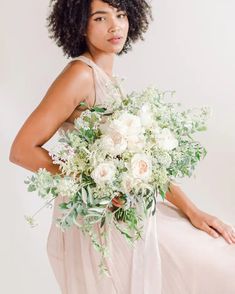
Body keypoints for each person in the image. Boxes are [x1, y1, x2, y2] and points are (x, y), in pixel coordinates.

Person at [9, 0, 235, 293]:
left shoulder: (109, 81)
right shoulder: (79, 75)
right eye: (100, 18)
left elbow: (143, 166)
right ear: (80, 24)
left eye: (121, 14)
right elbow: (22, 149)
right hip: (101, 219)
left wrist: (193, 211)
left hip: (129, 209)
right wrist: (88, 183)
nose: (115, 26)